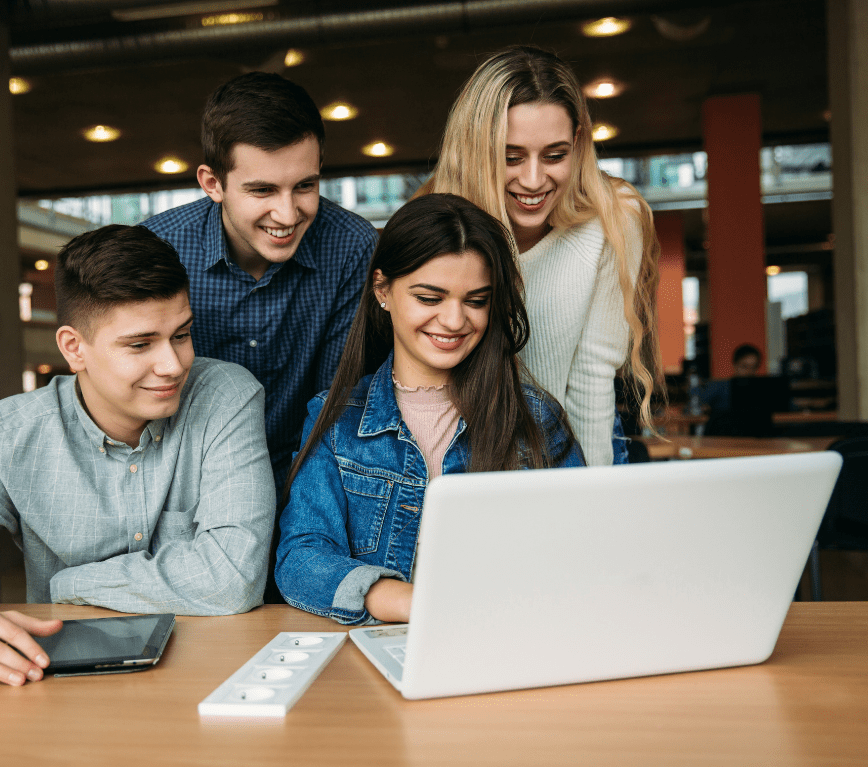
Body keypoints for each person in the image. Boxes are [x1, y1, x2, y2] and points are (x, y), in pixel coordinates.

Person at [0, 225, 275, 693]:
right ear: (73, 348)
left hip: (208, 670)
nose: (174, 364)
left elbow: (232, 578)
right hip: (57, 684)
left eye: (182, 334)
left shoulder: (226, 396)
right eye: (140, 345)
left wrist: (70, 582)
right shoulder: (9, 433)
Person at [275, 194, 584, 625]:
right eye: (430, 297)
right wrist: (409, 602)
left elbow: (581, 554)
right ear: (383, 290)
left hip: (511, 640)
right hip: (385, 648)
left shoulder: (536, 420)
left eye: (476, 301)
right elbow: (300, 558)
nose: (455, 320)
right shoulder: (336, 418)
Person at [420, 45, 661, 466]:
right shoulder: (442, 220)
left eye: (555, 155)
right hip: (468, 449)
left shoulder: (614, 217)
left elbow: (592, 382)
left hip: (581, 446)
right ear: (476, 150)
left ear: (578, 144)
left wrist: (589, 504)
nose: (533, 181)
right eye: (511, 157)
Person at [143, 72, 378, 498]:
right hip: (183, 488)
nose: (287, 215)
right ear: (213, 183)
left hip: (307, 483)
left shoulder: (353, 247)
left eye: (304, 186)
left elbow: (336, 403)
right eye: (263, 190)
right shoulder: (157, 247)